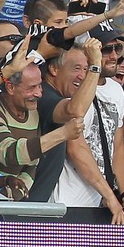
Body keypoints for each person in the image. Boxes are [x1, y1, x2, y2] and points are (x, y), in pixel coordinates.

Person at [50, 21, 124, 225]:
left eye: (117, 48)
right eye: (106, 49)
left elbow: (116, 146)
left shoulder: (115, 90)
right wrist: (109, 196)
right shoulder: (73, 91)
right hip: (69, 201)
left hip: (102, 204)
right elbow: (75, 149)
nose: (114, 55)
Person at [0, 63, 85, 197]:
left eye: (40, 85)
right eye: (31, 87)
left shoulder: (33, 110)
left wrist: (18, 195)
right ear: (10, 87)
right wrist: (63, 134)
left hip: (16, 204)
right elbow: (8, 153)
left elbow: (31, 163)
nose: (39, 93)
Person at [28, 39, 104, 202]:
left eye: (86, 69)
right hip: (23, 207)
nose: (83, 75)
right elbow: (75, 111)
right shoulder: (42, 95)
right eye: (77, 68)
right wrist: (95, 65)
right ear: (54, 69)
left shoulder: (54, 94)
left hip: (35, 204)